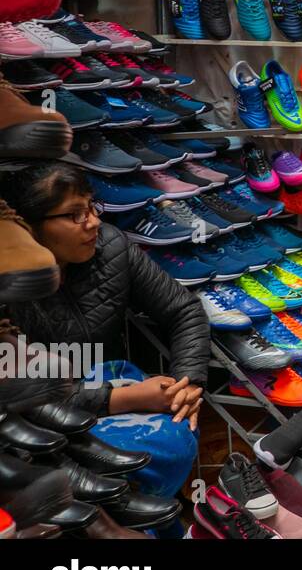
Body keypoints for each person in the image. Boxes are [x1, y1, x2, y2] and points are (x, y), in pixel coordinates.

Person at [0, 162, 208, 498]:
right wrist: (120, 399)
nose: (94, 222)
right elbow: (15, 395)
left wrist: (189, 380)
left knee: (174, 428)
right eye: (75, 215)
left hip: (107, 379)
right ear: (29, 228)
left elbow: (183, 310)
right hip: (40, 416)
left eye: (92, 207)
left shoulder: (112, 246)